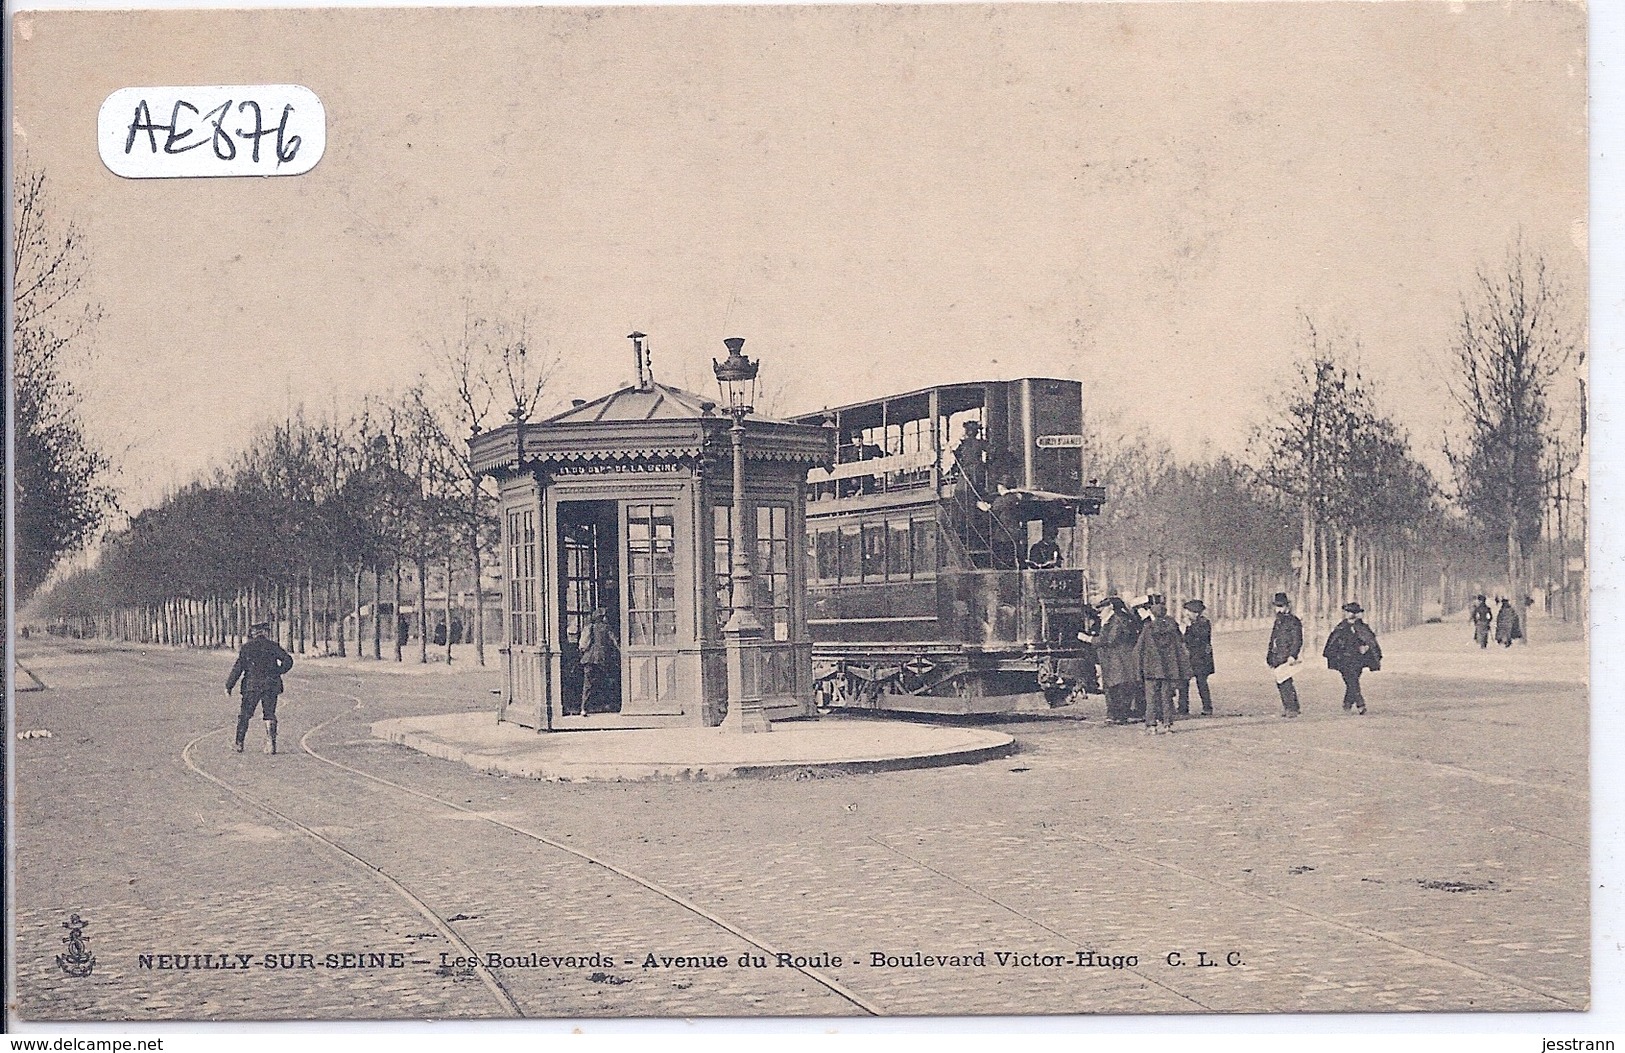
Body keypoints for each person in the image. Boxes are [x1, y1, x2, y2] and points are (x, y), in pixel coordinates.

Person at [225, 621, 294, 754]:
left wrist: (229, 686)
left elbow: (238, 668)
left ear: (254, 633)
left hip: (252, 686)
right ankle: (271, 744)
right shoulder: (273, 646)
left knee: (245, 715)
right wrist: (278, 671)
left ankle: (239, 743)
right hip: (271, 685)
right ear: (265, 633)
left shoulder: (247, 648)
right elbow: (288, 661)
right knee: (269, 713)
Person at [1133, 595, 1191, 734]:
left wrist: (1138, 668)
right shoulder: (1172, 627)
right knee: (1166, 697)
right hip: (1169, 669)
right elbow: (1180, 648)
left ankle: (1152, 726)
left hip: (1151, 669)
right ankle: (1168, 725)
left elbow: (1138, 649)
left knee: (1151, 697)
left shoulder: (1148, 628)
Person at [1323, 601, 1382, 714]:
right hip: (1343, 659)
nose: (1351, 614)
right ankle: (1360, 704)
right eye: (1349, 612)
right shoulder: (1341, 627)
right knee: (1351, 680)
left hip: (1358, 659)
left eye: (1354, 612)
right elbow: (1333, 642)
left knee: (1352, 681)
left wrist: (1366, 647)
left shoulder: (1363, 627)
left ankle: (1347, 703)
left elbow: (1371, 641)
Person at [1095, 596, 1141, 725]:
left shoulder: (1117, 620)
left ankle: (1120, 715)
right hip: (1112, 659)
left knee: (1120, 686)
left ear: (1109, 608)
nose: (1099, 614)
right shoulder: (1110, 619)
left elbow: (1110, 639)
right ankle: (1113, 715)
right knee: (1112, 687)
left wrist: (1089, 639)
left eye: (1101, 610)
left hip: (1119, 659)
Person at [1266, 592, 1303, 718]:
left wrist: (1293, 655)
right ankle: (1291, 707)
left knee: (1285, 681)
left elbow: (1297, 639)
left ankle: (1291, 708)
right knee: (1281, 681)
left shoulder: (1293, 621)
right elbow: (1273, 639)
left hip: (1286, 655)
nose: (1279, 609)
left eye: (1281, 606)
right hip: (1277, 655)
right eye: (1277, 606)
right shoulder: (1278, 621)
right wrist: (1269, 655)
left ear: (1287, 606)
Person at [1177, 598, 1215, 716]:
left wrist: (1190, 627)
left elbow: (1200, 638)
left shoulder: (1203, 623)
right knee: (1184, 683)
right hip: (1191, 657)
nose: (1186, 614)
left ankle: (1207, 707)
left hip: (1201, 658)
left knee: (1201, 683)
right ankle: (1183, 707)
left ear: (1195, 612)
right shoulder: (1192, 624)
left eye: (1188, 611)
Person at [577, 608, 618, 715]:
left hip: (588, 659)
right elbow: (615, 641)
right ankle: (605, 705)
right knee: (607, 681)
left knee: (588, 684)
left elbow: (582, 645)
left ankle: (583, 708)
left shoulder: (589, 627)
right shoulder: (606, 628)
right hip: (601, 659)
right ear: (602, 617)